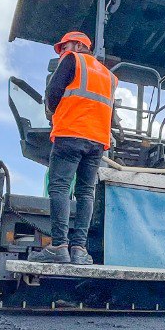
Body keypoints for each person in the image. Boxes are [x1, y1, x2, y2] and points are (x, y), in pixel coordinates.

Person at [29, 31, 119, 265]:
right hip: (97, 141)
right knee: (85, 192)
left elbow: (52, 95)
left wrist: (52, 113)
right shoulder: (110, 77)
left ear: (79, 45)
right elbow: (112, 114)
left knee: (58, 187)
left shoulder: (73, 60)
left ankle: (58, 246)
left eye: (65, 46)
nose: (63, 52)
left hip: (70, 134)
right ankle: (79, 249)